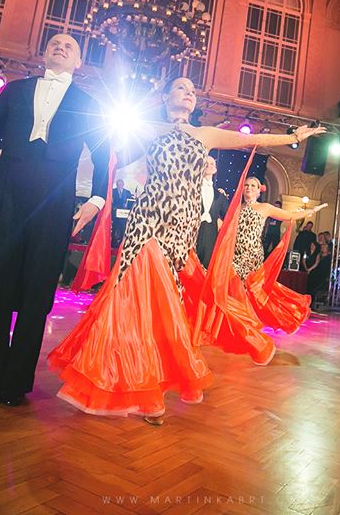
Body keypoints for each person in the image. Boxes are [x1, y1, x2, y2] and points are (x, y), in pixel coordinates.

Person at [48, 76, 324, 424]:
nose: (189, 93)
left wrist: (294, 136)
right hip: (148, 221)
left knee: (162, 306)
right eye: (181, 88)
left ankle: (151, 382)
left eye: (193, 91)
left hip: (181, 231)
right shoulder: (149, 129)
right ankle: (139, 388)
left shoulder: (205, 135)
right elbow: (107, 144)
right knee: (134, 297)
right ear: (166, 97)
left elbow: (252, 138)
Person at [0, 33, 111, 407]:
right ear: (45, 53)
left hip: (56, 198)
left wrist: (96, 199)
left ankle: (16, 383)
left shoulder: (88, 103)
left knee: (38, 289)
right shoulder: (15, 90)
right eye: (55, 43)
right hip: (8, 191)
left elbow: (103, 153)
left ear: (79, 62)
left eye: (70, 46)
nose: (61, 48)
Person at [231, 176, 324, 332]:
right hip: (235, 253)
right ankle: (241, 323)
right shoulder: (238, 208)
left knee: (252, 289)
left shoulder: (265, 207)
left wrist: (312, 210)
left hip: (252, 255)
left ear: (259, 190)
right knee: (236, 287)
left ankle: (254, 323)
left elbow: (290, 216)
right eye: (246, 185)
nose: (249, 188)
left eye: (253, 185)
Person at [194, 155, 228, 267]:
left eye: (212, 163)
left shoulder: (220, 195)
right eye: (205, 163)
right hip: (192, 233)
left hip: (210, 237)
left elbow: (228, 216)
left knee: (206, 267)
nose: (209, 165)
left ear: (215, 169)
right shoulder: (191, 189)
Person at [110, 178, 133, 247]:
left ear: (123, 184)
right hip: (115, 212)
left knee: (123, 228)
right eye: (118, 184)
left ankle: (121, 242)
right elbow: (111, 201)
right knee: (114, 227)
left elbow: (130, 202)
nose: (120, 185)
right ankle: (113, 243)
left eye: (121, 184)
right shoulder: (113, 191)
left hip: (124, 213)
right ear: (117, 184)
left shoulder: (127, 192)